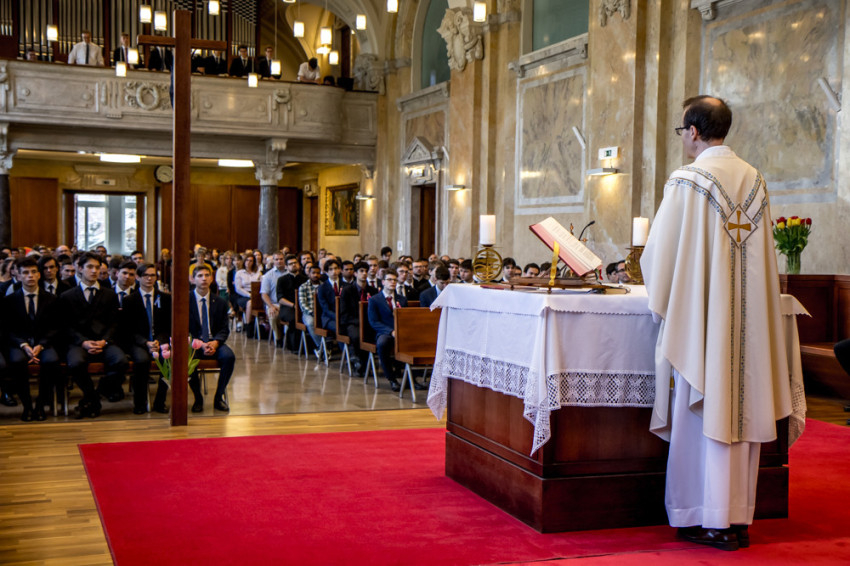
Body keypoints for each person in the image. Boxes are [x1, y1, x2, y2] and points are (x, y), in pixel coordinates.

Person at [641, 95, 793, 551]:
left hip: (703, 326)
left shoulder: (687, 180)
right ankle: (736, 517)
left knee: (703, 410)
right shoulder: (755, 180)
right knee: (741, 410)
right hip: (749, 328)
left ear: (692, 131)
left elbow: (658, 256)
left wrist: (664, 299)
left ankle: (706, 517)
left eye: (681, 130)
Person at [60, 252, 127, 418]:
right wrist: (83, 342)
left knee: (121, 361)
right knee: (75, 363)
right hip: (79, 343)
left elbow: (114, 323)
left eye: (97, 267)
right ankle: (93, 398)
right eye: (90, 267)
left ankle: (94, 396)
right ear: (79, 268)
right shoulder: (67, 296)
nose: (94, 271)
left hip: (104, 342)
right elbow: (66, 326)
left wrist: (104, 341)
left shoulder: (109, 294)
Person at [3, 257, 61, 421]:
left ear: (39, 275)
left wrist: (41, 345)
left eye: (34, 272)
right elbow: (8, 329)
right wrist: (23, 344)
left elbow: (55, 327)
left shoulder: (51, 299)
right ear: (19, 276)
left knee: (51, 361)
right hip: (19, 343)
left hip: (44, 343)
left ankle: (41, 405)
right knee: (17, 361)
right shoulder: (10, 300)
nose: (30, 276)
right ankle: (27, 405)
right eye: (26, 273)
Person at [121, 263, 172, 414]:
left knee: (167, 360)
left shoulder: (165, 298)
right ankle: (140, 402)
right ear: (138, 277)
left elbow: (167, 326)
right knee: (142, 361)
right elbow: (128, 329)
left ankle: (160, 401)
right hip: (139, 342)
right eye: (145, 275)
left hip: (160, 340)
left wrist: (159, 341)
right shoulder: (130, 299)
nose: (149, 278)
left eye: (152, 275)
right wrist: (146, 342)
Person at [188, 264, 235, 413]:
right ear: (192, 279)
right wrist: (200, 344)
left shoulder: (220, 301)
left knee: (229, 357)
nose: (204, 279)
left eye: (207, 275)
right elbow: (183, 329)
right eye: (200, 276)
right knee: (187, 359)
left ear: (212, 278)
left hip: (214, 341)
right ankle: (198, 398)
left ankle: (218, 397)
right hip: (194, 343)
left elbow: (224, 328)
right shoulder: (185, 300)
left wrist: (215, 342)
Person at [339, 261, 379, 375]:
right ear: (355, 273)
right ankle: (357, 361)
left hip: (369, 322)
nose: (364, 273)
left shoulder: (373, 291)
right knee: (357, 335)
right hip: (352, 322)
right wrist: (358, 321)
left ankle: (366, 362)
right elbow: (344, 312)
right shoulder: (347, 290)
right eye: (361, 271)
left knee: (373, 335)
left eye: (366, 271)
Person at [275, 254, 307, 352]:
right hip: (287, 307)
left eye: (295, 263)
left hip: (303, 306)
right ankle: (294, 346)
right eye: (290, 264)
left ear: (299, 265)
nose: (293, 265)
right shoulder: (282, 280)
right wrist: (293, 305)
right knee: (294, 319)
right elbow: (280, 298)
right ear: (286, 266)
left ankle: (308, 345)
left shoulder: (305, 279)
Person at [260, 251, 287, 346]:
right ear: (273, 261)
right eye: (276, 259)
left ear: (284, 260)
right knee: (274, 315)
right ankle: (278, 338)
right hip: (274, 303)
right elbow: (264, 294)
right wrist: (270, 306)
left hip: (287, 303)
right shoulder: (268, 275)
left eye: (281, 259)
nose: (279, 261)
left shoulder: (289, 272)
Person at [298, 264, 324, 358]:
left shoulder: (324, 285)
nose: (315, 275)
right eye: (313, 273)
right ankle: (321, 347)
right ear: (309, 274)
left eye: (318, 273)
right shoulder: (303, 286)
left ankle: (328, 346)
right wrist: (313, 312)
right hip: (308, 313)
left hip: (322, 313)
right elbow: (303, 304)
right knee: (310, 322)